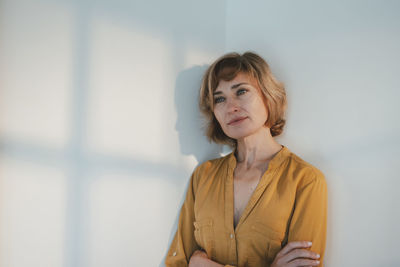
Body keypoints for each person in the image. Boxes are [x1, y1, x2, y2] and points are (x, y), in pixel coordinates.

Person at [165, 52, 327, 267]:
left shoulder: (305, 180)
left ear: (268, 96)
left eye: (241, 91)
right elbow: (177, 263)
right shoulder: (203, 176)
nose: (231, 107)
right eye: (219, 98)